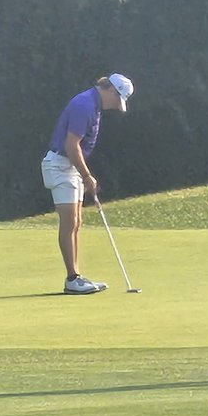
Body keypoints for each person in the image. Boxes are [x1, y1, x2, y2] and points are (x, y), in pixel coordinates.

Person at [41, 74, 134, 294]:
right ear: (110, 90)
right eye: (117, 99)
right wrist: (86, 175)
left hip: (70, 166)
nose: (116, 105)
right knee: (69, 222)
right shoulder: (84, 105)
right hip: (60, 165)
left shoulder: (93, 104)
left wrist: (82, 174)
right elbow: (71, 145)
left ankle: (77, 277)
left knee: (76, 222)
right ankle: (72, 279)